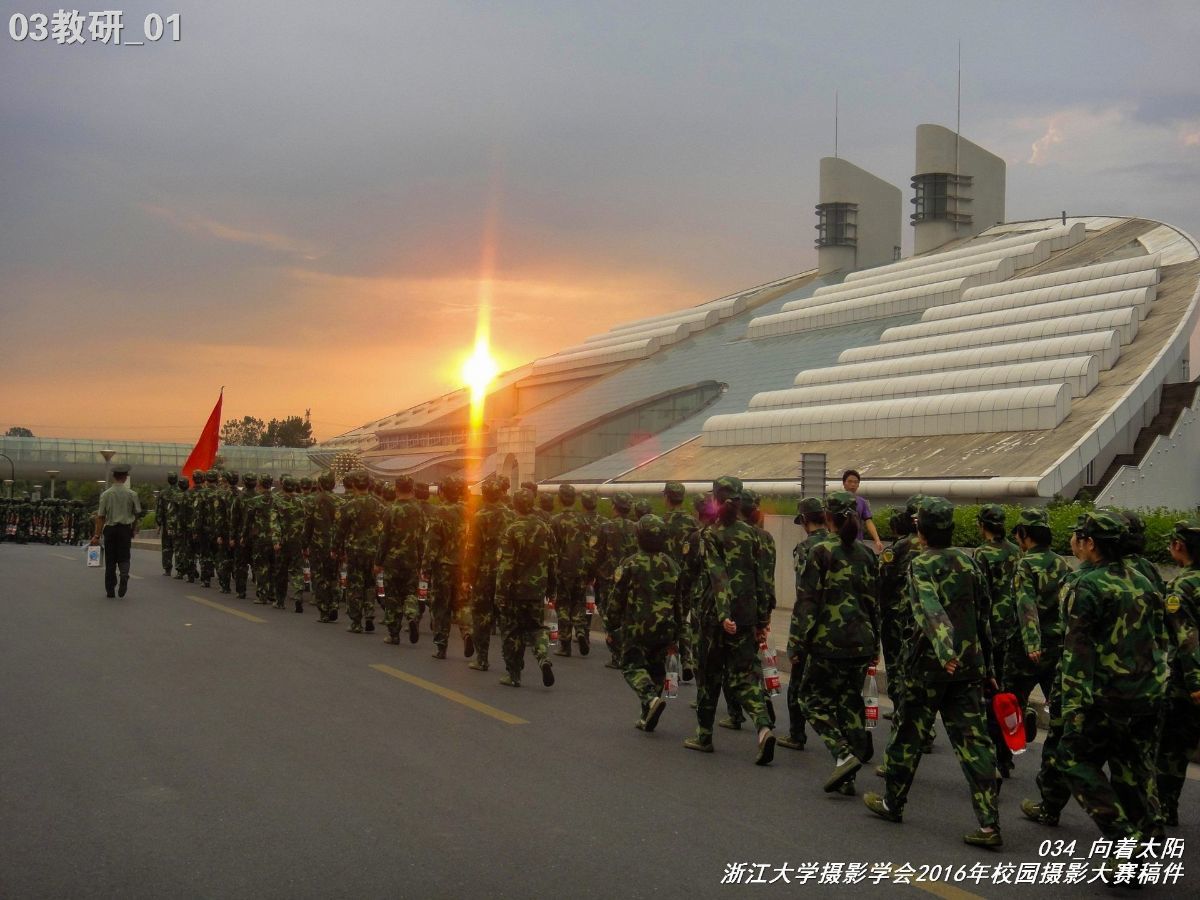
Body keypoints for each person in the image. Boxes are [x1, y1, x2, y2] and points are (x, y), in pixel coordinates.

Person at [864, 497, 1002, 848]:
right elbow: (983, 618)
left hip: (929, 666)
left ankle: (892, 803)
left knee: (906, 737)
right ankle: (989, 825)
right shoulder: (970, 563)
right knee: (975, 743)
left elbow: (929, 608)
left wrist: (945, 649)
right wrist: (988, 668)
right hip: (969, 668)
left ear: (920, 530)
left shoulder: (921, 565)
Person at [1055, 510, 1168, 843]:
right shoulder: (1144, 580)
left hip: (1107, 698)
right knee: (1132, 766)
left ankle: (1122, 837)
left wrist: (1072, 710)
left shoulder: (1086, 585)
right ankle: (1149, 831)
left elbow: (1077, 652)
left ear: (1090, 543)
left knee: (1072, 759)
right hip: (1147, 694)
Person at [684, 476, 776, 765]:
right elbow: (764, 581)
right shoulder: (754, 535)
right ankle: (763, 727)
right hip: (747, 616)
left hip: (714, 617)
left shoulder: (711, 534)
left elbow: (717, 575)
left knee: (709, 676)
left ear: (715, 499)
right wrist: (763, 619)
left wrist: (724, 614)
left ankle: (703, 735)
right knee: (745, 676)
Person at [793, 491, 879, 795]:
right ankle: (849, 774)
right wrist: (876, 646)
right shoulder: (867, 554)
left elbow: (807, 603)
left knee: (810, 700)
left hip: (828, 643)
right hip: (861, 641)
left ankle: (842, 753)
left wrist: (797, 643)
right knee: (850, 703)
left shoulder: (820, 552)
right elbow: (873, 604)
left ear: (827, 516)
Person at [612, 514, 682, 732]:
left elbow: (617, 598)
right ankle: (646, 714)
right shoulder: (672, 565)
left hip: (637, 626)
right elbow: (679, 602)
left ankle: (650, 700)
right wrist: (678, 630)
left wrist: (610, 626)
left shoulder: (630, 563)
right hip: (665, 627)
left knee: (632, 666)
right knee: (656, 669)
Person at [1156, 519, 1200, 827]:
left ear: (1179, 546)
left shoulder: (1180, 587)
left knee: (1173, 747)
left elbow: (1186, 638)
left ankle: (1166, 807)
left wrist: (1196, 683)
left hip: (1187, 682)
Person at [973, 504, 1021, 777]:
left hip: (990, 629)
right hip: (1011, 628)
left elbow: (980, 595)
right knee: (1007, 692)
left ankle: (994, 755)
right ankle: (1007, 754)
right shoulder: (1015, 552)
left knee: (990, 695)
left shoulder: (981, 554)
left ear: (982, 525)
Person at [495, 488, 557, 688]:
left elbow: (506, 566)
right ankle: (543, 658)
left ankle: (514, 675)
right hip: (537, 589)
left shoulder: (511, 530)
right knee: (536, 628)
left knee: (512, 631)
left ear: (515, 505)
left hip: (515, 591)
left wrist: (500, 593)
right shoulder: (545, 528)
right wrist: (551, 586)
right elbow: (553, 561)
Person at [779, 496, 828, 751]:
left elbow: (805, 598)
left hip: (812, 630)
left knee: (798, 684)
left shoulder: (806, 549)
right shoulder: (844, 544)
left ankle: (797, 735)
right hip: (840, 630)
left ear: (805, 520)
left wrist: (796, 642)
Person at [551, 483, 592, 657]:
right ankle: (581, 631)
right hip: (581, 568)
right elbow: (590, 546)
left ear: (560, 499)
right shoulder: (584, 520)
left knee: (562, 604)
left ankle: (565, 644)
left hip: (562, 569)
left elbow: (552, 549)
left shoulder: (556, 521)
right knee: (578, 602)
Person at [91, 464, 143, 599]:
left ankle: (110, 590)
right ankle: (124, 575)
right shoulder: (132, 494)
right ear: (125, 477)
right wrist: (133, 528)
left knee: (110, 560)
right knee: (124, 556)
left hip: (110, 530)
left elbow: (101, 516)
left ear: (114, 477)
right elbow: (137, 513)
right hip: (125, 529)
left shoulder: (106, 494)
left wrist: (96, 535)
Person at [840, 470, 883, 554]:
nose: (853, 484)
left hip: (857, 543)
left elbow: (868, 521)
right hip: (839, 543)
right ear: (844, 483)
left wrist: (877, 540)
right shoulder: (836, 500)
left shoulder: (862, 502)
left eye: (856, 482)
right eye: (850, 481)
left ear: (858, 484)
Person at [157, 472, 178, 575]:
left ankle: (167, 569)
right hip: (178, 524)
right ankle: (181, 570)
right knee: (178, 546)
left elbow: (160, 510)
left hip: (167, 524)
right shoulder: (181, 491)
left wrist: (159, 523)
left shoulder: (163, 493)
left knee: (166, 547)